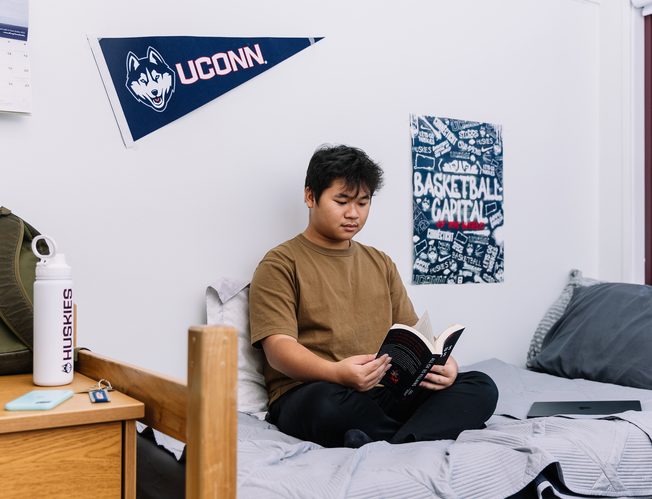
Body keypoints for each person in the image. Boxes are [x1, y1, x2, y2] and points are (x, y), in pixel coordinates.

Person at [249, 144, 498, 448]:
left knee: (481, 386)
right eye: (342, 201)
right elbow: (279, 350)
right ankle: (418, 432)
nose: (353, 213)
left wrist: (445, 366)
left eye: (363, 202)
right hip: (315, 391)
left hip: (382, 392)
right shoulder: (280, 263)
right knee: (327, 406)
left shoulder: (380, 262)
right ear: (310, 196)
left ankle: (390, 440)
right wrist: (337, 373)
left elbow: (414, 335)